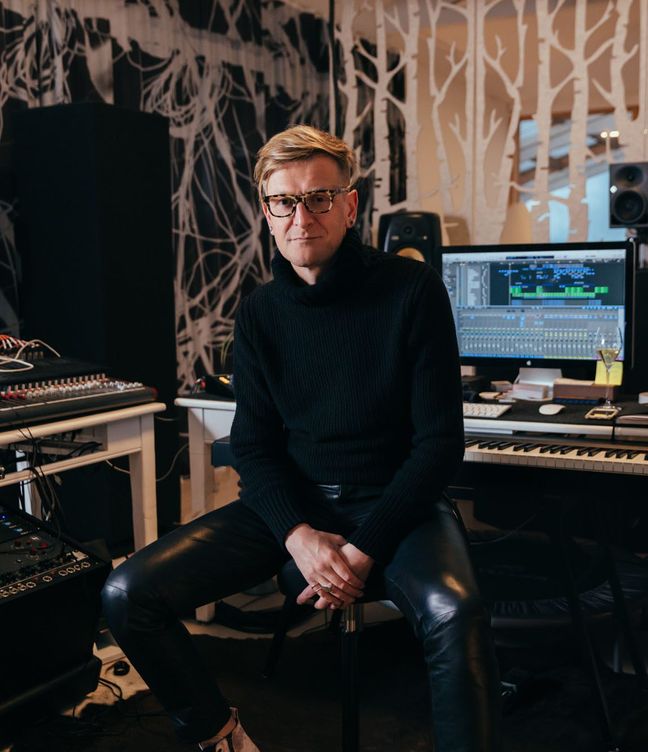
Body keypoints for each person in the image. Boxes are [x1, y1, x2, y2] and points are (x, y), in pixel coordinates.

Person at [102, 125, 501, 752]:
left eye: (319, 198)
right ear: (267, 212)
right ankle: (221, 737)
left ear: (349, 205)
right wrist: (298, 535)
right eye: (284, 201)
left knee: (458, 612)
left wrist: (362, 550)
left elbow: (439, 444)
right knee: (127, 594)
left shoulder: (412, 289)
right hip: (296, 505)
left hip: (396, 501)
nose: (301, 217)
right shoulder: (260, 312)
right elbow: (255, 448)